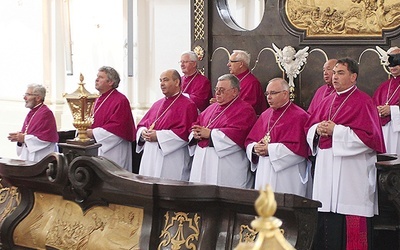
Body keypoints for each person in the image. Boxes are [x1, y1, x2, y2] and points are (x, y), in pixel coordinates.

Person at [304, 58, 385, 249]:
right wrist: (317, 130)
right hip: (326, 168)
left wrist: (336, 131)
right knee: (327, 219)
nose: (335, 77)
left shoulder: (364, 101)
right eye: (334, 73)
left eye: (340, 73)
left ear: (353, 77)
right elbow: (310, 127)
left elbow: (370, 139)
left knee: (350, 222)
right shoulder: (326, 101)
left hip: (352, 174)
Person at [189, 74, 257, 188]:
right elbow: (197, 123)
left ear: (234, 91)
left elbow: (238, 134)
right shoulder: (211, 107)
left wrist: (210, 134)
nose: (217, 93)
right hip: (203, 160)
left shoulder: (244, 109)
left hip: (226, 164)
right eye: (216, 89)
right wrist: (195, 133)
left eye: (222, 90)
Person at [245, 78, 309, 196]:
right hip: (264, 172)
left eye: (273, 93)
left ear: (285, 94)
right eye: (267, 93)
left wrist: (270, 150)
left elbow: (300, 150)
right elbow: (250, 141)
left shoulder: (300, 116)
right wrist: (254, 148)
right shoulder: (265, 115)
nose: (268, 97)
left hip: (287, 175)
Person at [136, 69, 198, 181]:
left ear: (177, 82)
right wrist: (143, 132)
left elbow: (185, 134)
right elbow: (142, 124)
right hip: (150, 154)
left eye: (166, 80)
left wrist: (158, 136)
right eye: (160, 80)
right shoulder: (157, 104)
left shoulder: (188, 105)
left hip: (172, 157)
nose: (162, 84)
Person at [87, 66, 136, 172]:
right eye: (97, 76)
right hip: (96, 147)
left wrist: (94, 133)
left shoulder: (120, 100)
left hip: (114, 150)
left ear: (110, 82)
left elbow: (119, 127)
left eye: (101, 77)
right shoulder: (96, 99)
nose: (96, 79)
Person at [7, 84, 58, 162]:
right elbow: (27, 133)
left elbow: (46, 138)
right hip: (28, 157)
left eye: (28, 95)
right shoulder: (32, 112)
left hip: (40, 159)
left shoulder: (46, 113)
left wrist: (24, 138)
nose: (24, 98)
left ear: (38, 98)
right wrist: (19, 138)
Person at [210, 50, 266, 116]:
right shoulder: (229, 79)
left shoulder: (252, 83)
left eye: (231, 61)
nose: (228, 64)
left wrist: (223, 103)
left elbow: (247, 109)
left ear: (241, 64)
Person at [373, 47, 400, 156]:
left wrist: (393, 110)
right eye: (390, 63)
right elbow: (372, 106)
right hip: (383, 132)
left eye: (396, 62)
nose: (392, 66)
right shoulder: (383, 86)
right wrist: (378, 110)